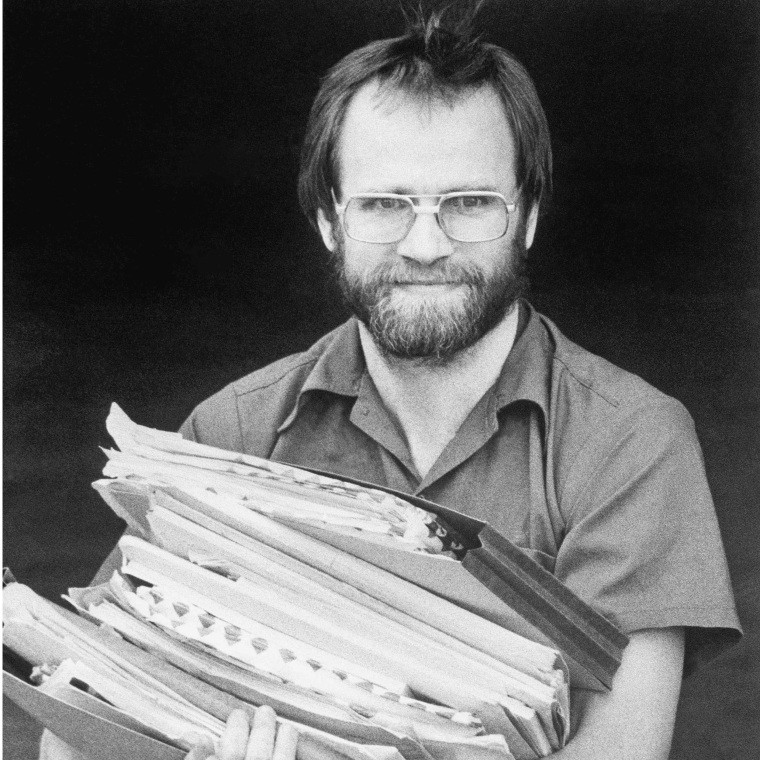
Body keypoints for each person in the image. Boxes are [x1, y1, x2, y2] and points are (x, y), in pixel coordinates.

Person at [41, 11, 741, 760]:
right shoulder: (230, 435)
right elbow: (73, 738)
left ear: (528, 218)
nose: (425, 245)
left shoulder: (631, 441)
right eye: (384, 205)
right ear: (328, 222)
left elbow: (623, 753)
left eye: (469, 203)